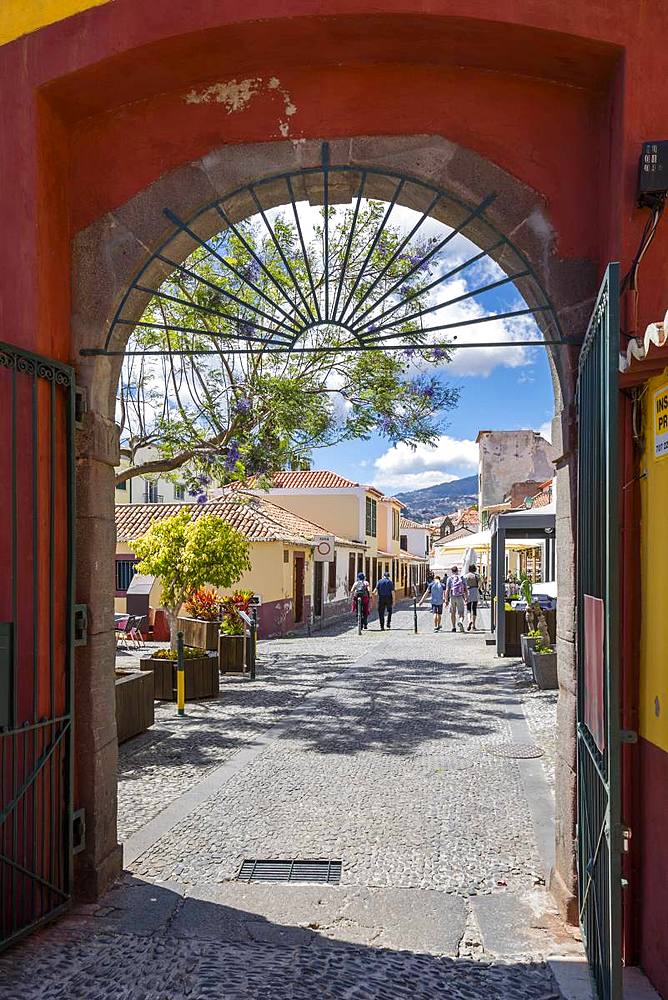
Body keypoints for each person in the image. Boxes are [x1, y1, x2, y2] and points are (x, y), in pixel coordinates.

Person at [445, 565, 467, 633]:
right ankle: (460, 621)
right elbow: (465, 589)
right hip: (460, 596)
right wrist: (466, 598)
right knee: (461, 613)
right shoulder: (462, 578)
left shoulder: (449, 578)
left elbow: (447, 590)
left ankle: (453, 627)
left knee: (452, 613)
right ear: (457, 570)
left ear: (452, 571)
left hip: (452, 597)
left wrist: (446, 600)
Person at [464, 563, 481, 631]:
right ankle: (474, 625)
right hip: (475, 591)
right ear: (475, 569)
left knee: (468, 608)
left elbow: (464, 585)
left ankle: (469, 621)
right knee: (474, 608)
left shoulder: (466, 576)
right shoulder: (477, 576)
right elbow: (480, 585)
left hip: (468, 592)